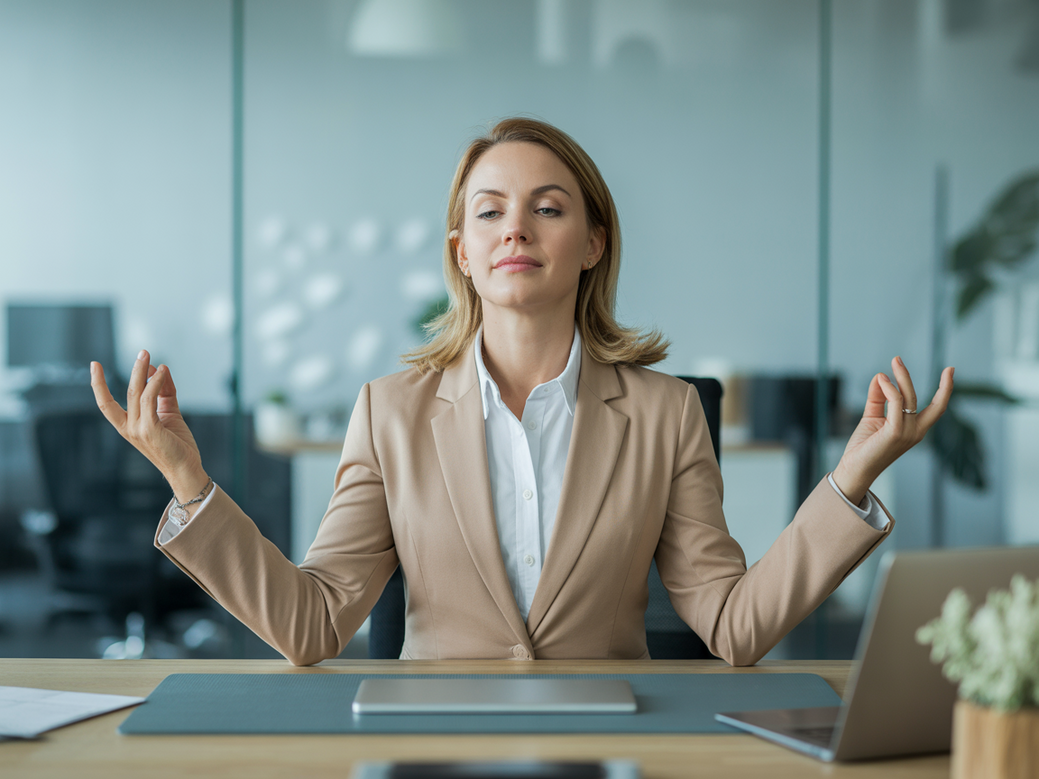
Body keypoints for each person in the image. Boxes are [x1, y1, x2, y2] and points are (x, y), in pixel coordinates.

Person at [90, 117, 954, 666]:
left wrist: (849, 484)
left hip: (612, 744)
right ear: (462, 250)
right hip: (430, 747)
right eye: (489, 210)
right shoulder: (389, 412)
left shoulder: (665, 413)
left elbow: (732, 626)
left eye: (547, 207)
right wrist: (188, 482)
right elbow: (313, 625)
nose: (515, 227)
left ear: (591, 243)